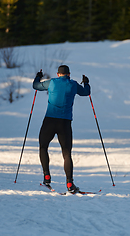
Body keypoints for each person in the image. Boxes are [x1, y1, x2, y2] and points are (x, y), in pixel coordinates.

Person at [33, 65, 90, 193]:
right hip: (65, 122)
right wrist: (86, 83)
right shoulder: (73, 85)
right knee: (66, 153)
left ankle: (46, 176)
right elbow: (86, 93)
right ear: (69, 74)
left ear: (58, 74)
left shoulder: (52, 82)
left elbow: (36, 86)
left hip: (50, 120)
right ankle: (70, 183)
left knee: (43, 146)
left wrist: (38, 77)